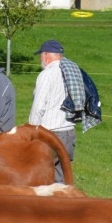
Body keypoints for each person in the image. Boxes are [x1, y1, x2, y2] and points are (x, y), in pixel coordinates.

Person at [29, 39, 80, 183]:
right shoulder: (72, 72)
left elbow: (38, 107)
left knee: (44, 178)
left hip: (50, 133)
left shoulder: (47, 75)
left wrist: (31, 131)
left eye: (41, 55)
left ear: (46, 55)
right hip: (69, 132)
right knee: (61, 178)